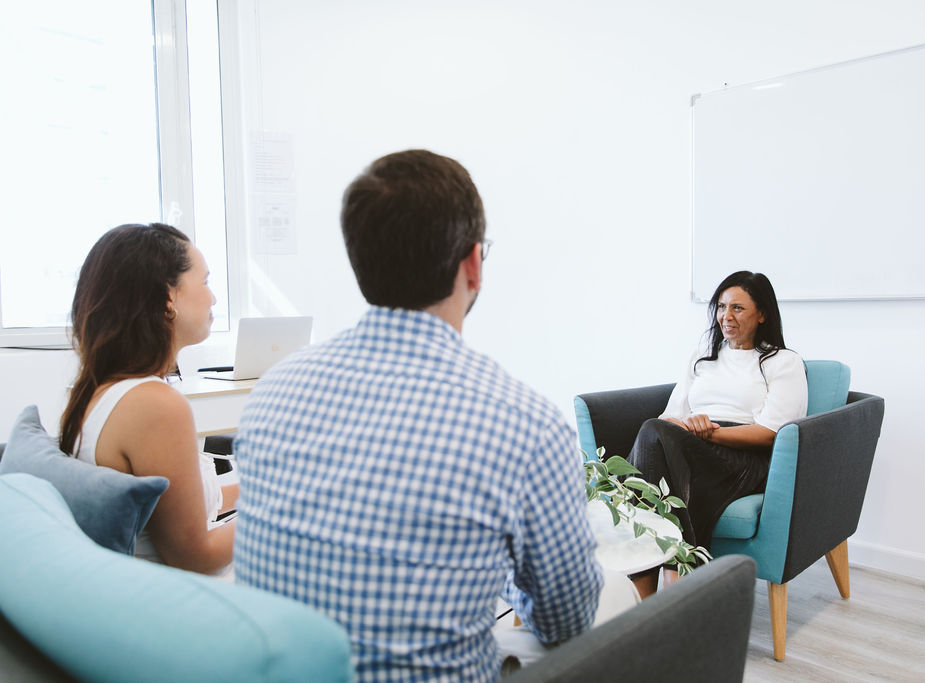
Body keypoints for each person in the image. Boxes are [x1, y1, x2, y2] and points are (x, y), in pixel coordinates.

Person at [233, 150, 603, 682]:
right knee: (610, 605)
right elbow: (567, 618)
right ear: (473, 263)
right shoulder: (525, 424)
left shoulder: (273, 390)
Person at [59, 223, 235, 574]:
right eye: (205, 282)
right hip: (179, 596)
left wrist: (267, 488)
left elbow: (178, 511)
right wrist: (281, 511)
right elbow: (195, 556)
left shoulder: (101, 390)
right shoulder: (155, 405)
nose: (213, 297)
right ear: (167, 297)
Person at [628, 270, 807, 597]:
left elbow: (771, 433)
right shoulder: (701, 357)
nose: (726, 316)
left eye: (738, 308)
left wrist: (709, 434)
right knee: (654, 434)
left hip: (744, 458)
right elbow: (672, 413)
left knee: (649, 449)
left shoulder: (783, 362)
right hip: (692, 446)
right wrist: (683, 430)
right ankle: (672, 584)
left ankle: (657, 591)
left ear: (763, 313)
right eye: (721, 306)